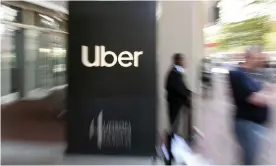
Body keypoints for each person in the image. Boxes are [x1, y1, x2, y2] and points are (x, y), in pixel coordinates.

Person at [229, 46, 275, 165]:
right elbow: (255, 99)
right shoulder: (237, 75)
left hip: (256, 126)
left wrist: (266, 92)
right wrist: (268, 95)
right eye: (258, 58)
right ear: (249, 57)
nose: (261, 61)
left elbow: (266, 88)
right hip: (247, 125)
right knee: (251, 161)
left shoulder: (250, 75)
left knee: (253, 159)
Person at [165, 53, 192, 165]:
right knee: (174, 131)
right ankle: (170, 156)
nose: (184, 62)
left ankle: (173, 155)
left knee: (175, 131)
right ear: (177, 60)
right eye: (182, 60)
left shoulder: (176, 73)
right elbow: (179, 89)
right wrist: (189, 95)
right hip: (176, 107)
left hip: (177, 106)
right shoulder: (174, 73)